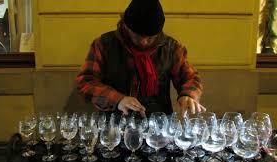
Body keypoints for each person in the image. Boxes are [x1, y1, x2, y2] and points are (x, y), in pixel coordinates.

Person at [76, 0, 205, 117]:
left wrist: (188, 95)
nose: (143, 42)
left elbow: (189, 77)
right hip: (114, 126)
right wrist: (118, 100)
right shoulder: (103, 44)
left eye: (150, 38)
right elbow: (86, 82)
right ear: (125, 25)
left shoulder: (171, 48)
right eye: (137, 36)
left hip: (158, 127)